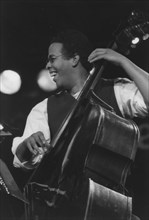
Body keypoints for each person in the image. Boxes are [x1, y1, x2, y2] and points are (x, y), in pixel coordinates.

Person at [11, 29, 148, 219]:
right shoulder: (44, 108)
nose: (47, 65)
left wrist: (124, 62)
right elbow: (21, 160)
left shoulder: (116, 90)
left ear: (74, 59)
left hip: (111, 206)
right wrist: (27, 145)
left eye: (52, 58)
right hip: (61, 207)